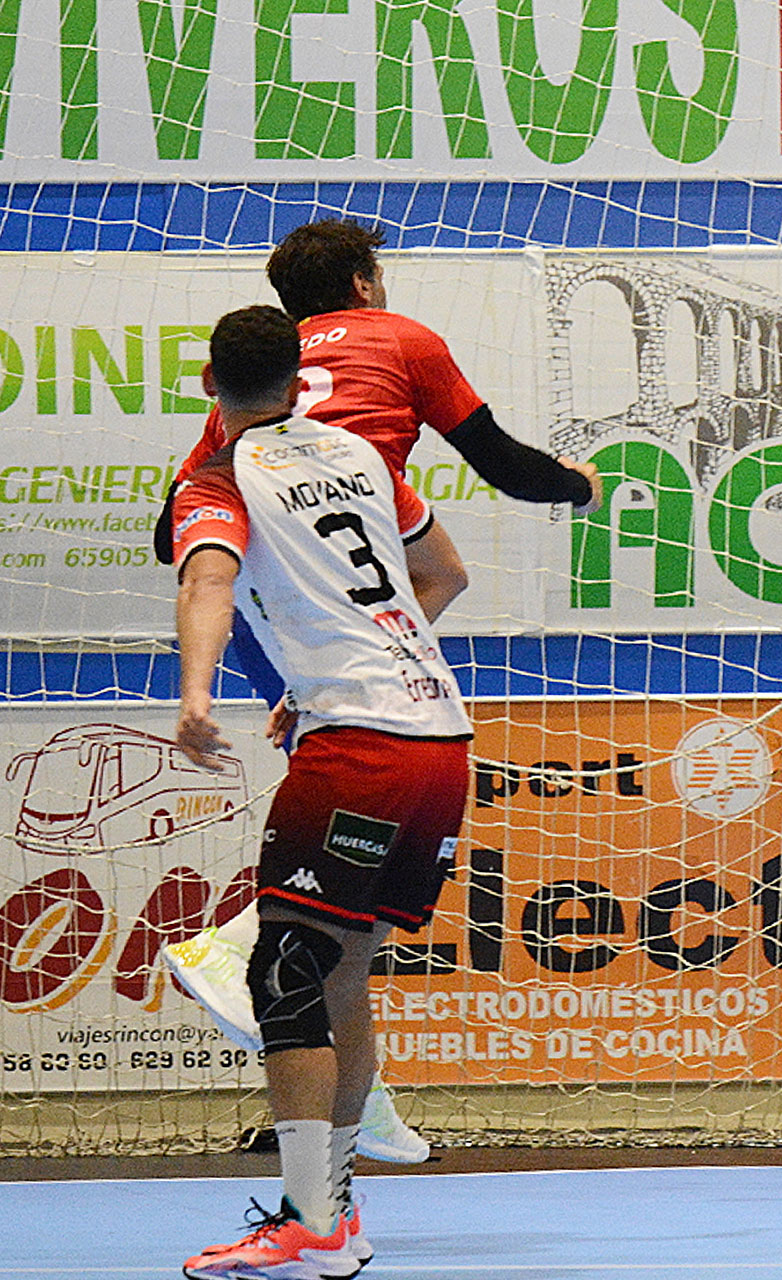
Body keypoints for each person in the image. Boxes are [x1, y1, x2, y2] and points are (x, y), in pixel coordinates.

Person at [156, 218, 603, 1163]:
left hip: (267, 610)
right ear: (364, 283)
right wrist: (580, 486)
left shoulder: (254, 396)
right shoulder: (401, 345)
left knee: (340, 882)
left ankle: (359, 1113)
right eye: (381, 276)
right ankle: (236, 951)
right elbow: (508, 471)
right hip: (344, 608)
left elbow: (181, 535)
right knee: (331, 886)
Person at [173, 305, 476, 1278]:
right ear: (300, 379)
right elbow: (445, 572)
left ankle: (306, 1216)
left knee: (285, 970)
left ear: (211, 389)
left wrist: (197, 694)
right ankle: (335, 1216)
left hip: (360, 747)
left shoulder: (217, 476)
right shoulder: (357, 455)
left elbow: (207, 584)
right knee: (340, 972)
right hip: (441, 741)